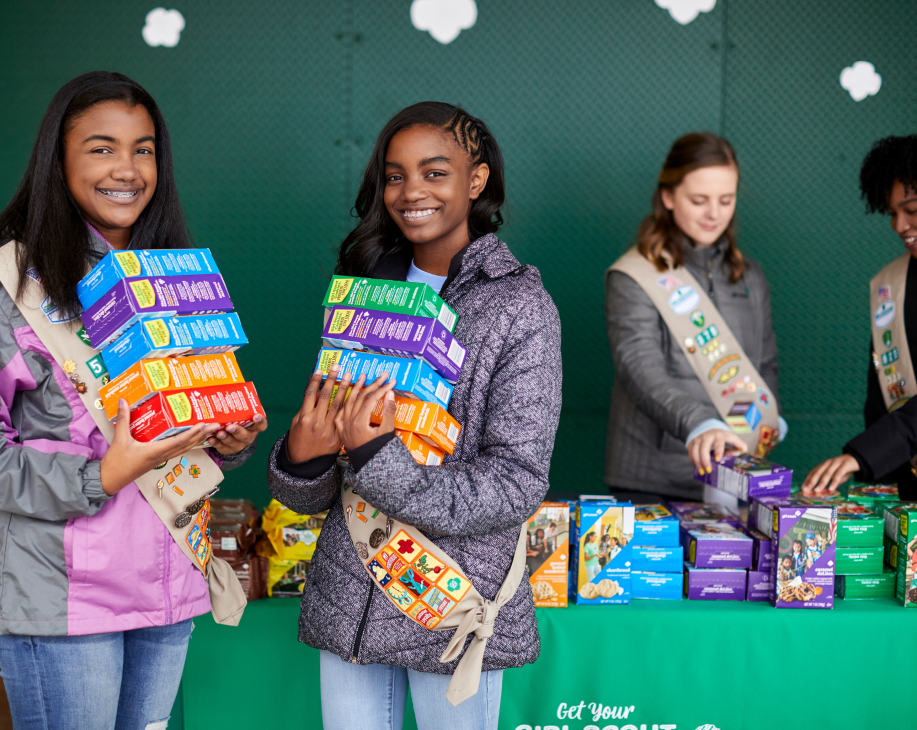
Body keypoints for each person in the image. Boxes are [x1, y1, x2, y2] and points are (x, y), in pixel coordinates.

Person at [266, 102, 562, 730]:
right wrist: (304, 456)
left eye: (435, 172)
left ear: (476, 180)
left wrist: (376, 458)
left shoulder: (519, 306)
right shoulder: (366, 289)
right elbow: (313, 491)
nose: (411, 192)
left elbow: (517, 480)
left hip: (452, 603)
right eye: (395, 176)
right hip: (352, 595)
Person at [0, 72, 265, 729]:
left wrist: (225, 441)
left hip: (170, 580)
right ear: (56, 161)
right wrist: (105, 473)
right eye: (101, 148)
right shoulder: (10, 281)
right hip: (64, 598)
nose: (127, 169)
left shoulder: (172, 277)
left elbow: (173, 435)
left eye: (143, 149)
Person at [604, 132, 785, 501]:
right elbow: (638, 365)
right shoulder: (634, 274)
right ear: (668, 197)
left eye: (726, 200)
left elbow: (765, 364)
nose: (714, 213)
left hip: (734, 474)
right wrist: (699, 424)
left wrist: (767, 422)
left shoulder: (750, 276)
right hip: (651, 480)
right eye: (699, 200)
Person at [803, 130, 917, 499]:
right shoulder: (895, 283)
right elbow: (883, 400)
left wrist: (865, 452)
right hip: (916, 499)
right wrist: (873, 497)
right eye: (892, 213)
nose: (899, 226)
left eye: (913, 209)